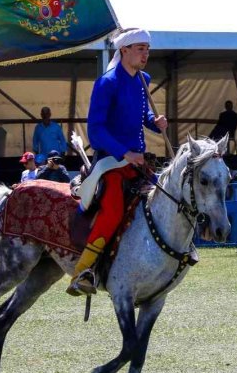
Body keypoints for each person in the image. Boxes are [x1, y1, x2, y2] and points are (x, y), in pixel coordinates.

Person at [67, 28, 167, 296]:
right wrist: (125, 153)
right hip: (111, 162)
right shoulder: (106, 83)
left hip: (137, 163)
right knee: (112, 211)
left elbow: (141, 116)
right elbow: (96, 131)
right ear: (124, 50)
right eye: (140, 49)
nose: (146, 54)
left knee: (166, 197)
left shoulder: (143, 79)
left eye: (148, 49)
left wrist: (155, 123)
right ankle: (83, 272)